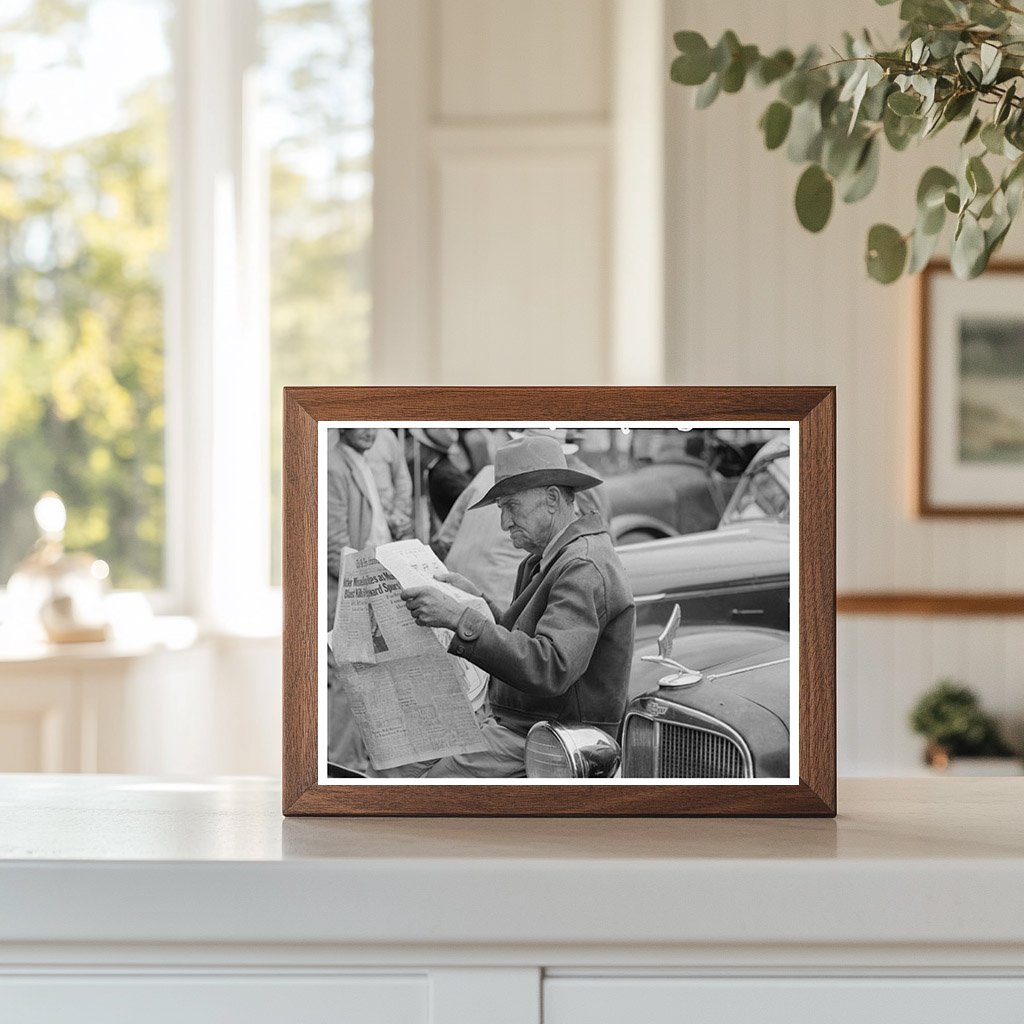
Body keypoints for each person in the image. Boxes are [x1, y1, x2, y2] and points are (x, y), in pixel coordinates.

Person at [388, 434, 636, 778]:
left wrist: (460, 617)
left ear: (551, 499)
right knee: (400, 758)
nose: (504, 522)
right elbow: (525, 637)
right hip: (520, 723)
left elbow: (550, 668)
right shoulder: (545, 558)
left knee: (426, 787)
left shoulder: (582, 565)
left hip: (550, 739)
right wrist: (477, 600)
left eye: (511, 506)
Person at [409, 427, 471, 523]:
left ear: (428, 449)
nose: (418, 449)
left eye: (420, 445)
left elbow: (469, 502)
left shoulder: (443, 475)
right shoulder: (440, 469)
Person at [365, 428, 414, 540]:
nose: (369, 433)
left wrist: (397, 515)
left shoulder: (386, 436)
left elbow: (402, 481)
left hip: (390, 524)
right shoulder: (328, 440)